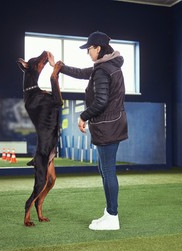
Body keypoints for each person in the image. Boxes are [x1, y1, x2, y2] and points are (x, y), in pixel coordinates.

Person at [48, 31, 128, 230]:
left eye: (89, 49)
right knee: (104, 169)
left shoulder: (103, 70)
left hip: (107, 127)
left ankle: (112, 217)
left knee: (108, 171)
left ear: (98, 48)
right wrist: (58, 67)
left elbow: (101, 101)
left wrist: (83, 116)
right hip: (111, 125)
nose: (88, 53)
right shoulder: (106, 67)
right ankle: (109, 212)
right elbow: (83, 73)